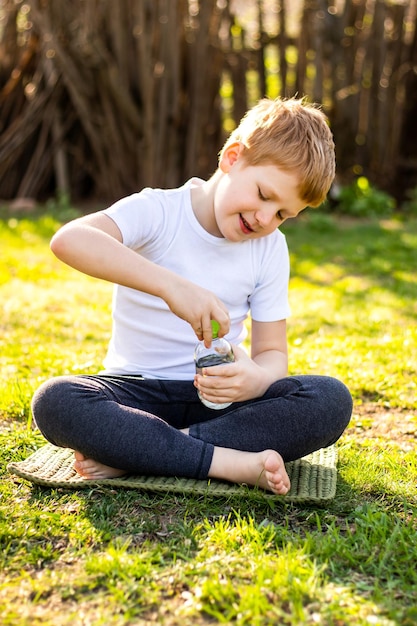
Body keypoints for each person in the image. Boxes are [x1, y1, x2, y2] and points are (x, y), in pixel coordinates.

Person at [31, 97, 352, 495]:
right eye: (265, 196)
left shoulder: (270, 249)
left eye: (284, 214)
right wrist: (172, 286)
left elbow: (273, 355)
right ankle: (228, 462)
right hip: (136, 395)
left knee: (330, 398)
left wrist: (255, 379)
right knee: (56, 400)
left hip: (219, 405)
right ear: (233, 158)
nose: (266, 220)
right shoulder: (159, 211)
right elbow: (70, 240)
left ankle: (146, 450)